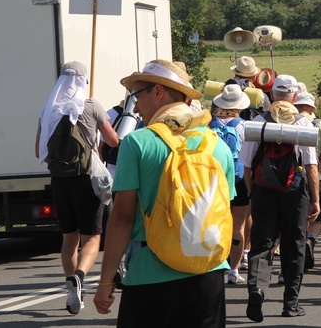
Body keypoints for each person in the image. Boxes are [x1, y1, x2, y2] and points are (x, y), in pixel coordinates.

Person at [93, 59, 235, 327]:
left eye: (136, 96)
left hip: (150, 275)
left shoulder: (137, 143)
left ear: (157, 92)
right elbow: (222, 210)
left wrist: (105, 281)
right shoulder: (218, 146)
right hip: (208, 275)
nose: (134, 106)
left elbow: (122, 217)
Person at [36, 61, 119, 315]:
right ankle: (80, 276)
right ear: (83, 81)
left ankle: (72, 286)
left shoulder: (48, 109)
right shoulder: (91, 106)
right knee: (92, 237)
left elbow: (40, 152)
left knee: (69, 238)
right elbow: (113, 141)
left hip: (60, 181)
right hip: (87, 179)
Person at [240, 75, 320, 321]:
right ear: (295, 97)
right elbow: (311, 167)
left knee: (262, 243)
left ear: (272, 94)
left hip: (264, 189)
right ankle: (291, 303)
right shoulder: (304, 124)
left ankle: (257, 288)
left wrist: (254, 192)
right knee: (294, 244)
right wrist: (315, 199)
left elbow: (245, 168)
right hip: (294, 190)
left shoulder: (257, 122)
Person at [210, 84, 252, 285]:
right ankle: (234, 270)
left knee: (215, 224)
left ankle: (214, 264)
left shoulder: (209, 126)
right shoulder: (244, 126)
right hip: (239, 181)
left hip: (214, 181)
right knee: (239, 226)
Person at [294, 92, 321, 271]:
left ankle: (300, 244)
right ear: (311, 108)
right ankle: (311, 239)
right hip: (316, 174)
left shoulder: (290, 122)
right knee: (317, 215)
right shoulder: (320, 124)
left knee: (298, 214)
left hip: (294, 175)